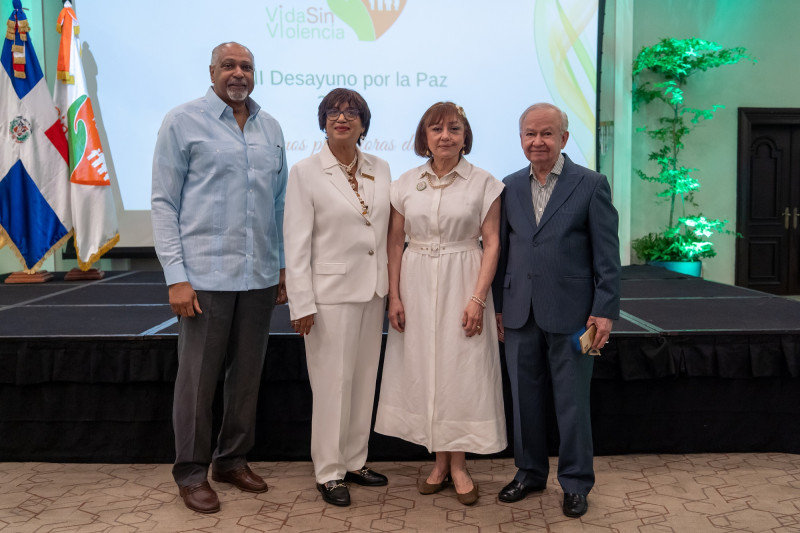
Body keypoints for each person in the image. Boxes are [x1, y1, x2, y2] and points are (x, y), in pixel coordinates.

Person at [151, 42, 288, 514]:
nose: (238, 73)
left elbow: (279, 204)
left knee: (245, 378)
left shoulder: (271, 127)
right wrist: (175, 276)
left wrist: (283, 266)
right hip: (203, 277)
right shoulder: (182, 121)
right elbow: (164, 203)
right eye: (228, 65)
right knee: (197, 381)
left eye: (246, 66)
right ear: (211, 71)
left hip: (258, 275)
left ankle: (231, 460)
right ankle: (191, 473)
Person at [375, 102, 507, 506]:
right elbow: (395, 241)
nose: (445, 135)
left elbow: (493, 242)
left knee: (460, 372)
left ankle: (459, 464)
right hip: (415, 281)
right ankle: (438, 462)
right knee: (425, 369)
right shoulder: (404, 183)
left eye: (454, 128)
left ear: (466, 136)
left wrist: (477, 298)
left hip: (463, 277)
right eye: (436, 129)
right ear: (424, 137)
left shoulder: (485, 182)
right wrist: (395, 295)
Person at [492, 103, 621, 518]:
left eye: (547, 134)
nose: (538, 142)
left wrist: (604, 309)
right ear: (521, 138)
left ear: (564, 139)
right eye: (530, 134)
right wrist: (497, 307)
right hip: (518, 312)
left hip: (573, 314)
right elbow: (500, 252)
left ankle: (576, 482)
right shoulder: (508, 186)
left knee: (572, 403)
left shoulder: (591, 184)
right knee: (523, 399)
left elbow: (607, 255)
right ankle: (529, 474)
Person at [283, 88, 391, 507]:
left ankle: (354, 460)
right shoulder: (306, 172)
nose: (341, 118)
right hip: (328, 297)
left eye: (351, 112)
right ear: (323, 121)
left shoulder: (380, 168)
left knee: (363, 381)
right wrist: (301, 303)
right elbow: (296, 243)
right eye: (333, 112)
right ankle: (328, 472)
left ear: (364, 123)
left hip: (373, 291)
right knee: (332, 385)